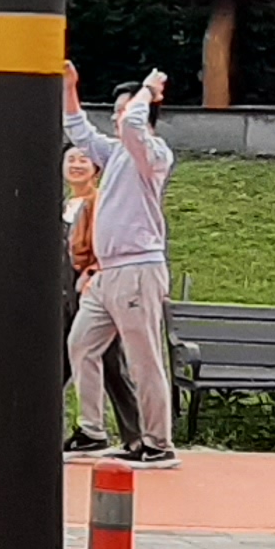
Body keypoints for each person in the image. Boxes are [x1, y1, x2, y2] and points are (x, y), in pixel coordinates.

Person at [60, 60, 179, 468]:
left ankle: (158, 443)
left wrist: (148, 90)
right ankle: (92, 431)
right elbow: (78, 129)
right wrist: (70, 87)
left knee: (144, 358)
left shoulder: (154, 154)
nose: (116, 117)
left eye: (121, 109)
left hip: (138, 270)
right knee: (80, 344)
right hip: (108, 273)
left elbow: (132, 126)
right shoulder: (114, 154)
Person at [56, 147, 144, 452]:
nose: (76, 165)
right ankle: (79, 430)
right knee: (60, 362)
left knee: (110, 363)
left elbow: (107, 245)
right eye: (71, 159)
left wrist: (94, 273)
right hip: (64, 292)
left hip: (93, 290)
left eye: (84, 160)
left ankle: (135, 433)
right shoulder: (63, 206)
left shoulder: (102, 203)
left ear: (96, 169)